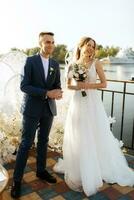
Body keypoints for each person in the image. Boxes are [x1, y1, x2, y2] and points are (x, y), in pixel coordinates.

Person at [54, 36, 134, 196]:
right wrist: (78, 87)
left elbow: (104, 84)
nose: (90, 48)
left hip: (92, 104)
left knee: (95, 133)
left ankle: (97, 166)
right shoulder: (73, 64)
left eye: (93, 46)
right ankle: (80, 167)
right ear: (81, 46)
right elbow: (69, 85)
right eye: (88, 45)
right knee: (79, 134)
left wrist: (87, 85)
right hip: (78, 103)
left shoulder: (96, 63)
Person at [11, 31, 63, 198]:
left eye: (52, 42)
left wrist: (58, 92)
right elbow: (24, 86)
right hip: (32, 109)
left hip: (48, 109)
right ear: (40, 43)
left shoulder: (55, 63)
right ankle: (16, 181)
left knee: (43, 141)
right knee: (26, 143)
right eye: (47, 42)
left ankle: (41, 171)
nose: (50, 45)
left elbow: (57, 85)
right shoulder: (30, 61)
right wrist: (47, 93)